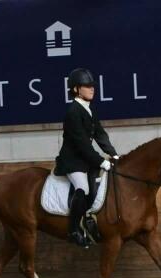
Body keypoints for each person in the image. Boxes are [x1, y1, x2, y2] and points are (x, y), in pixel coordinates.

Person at [54, 68, 119, 248]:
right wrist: (102, 162)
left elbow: (100, 135)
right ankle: (74, 229)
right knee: (83, 188)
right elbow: (82, 145)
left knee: (98, 186)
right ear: (76, 89)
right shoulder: (73, 112)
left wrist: (114, 154)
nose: (92, 89)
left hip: (86, 161)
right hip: (72, 161)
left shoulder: (89, 109)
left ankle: (89, 222)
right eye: (87, 86)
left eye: (93, 86)